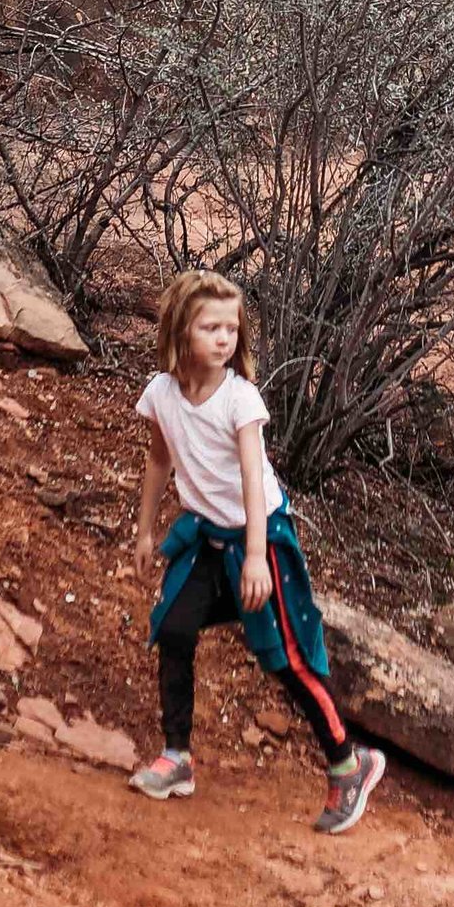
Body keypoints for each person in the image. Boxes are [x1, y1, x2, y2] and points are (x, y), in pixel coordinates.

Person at [128, 268, 385, 836]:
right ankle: (177, 758)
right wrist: (146, 530)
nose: (223, 339)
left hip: (258, 537)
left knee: (285, 655)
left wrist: (253, 557)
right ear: (180, 331)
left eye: (231, 328)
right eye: (209, 327)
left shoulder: (240, 399)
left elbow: (251, 476)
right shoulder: (162, 394)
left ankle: (349, 762)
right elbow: (158, 461)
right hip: (206, 537)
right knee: (173, 626)